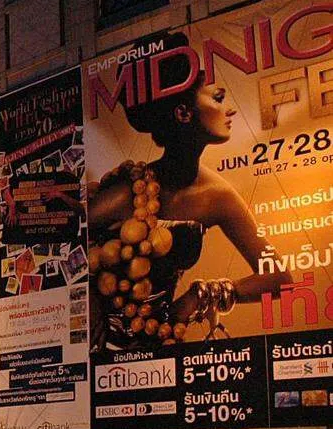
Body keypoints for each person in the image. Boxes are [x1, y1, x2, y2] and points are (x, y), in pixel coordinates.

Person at [88, 31, 289, 353]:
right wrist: (87, 298)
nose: (229, 110)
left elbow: (279, 278)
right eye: (218, 98)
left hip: (164, 345)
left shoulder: (217, 196)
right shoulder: (127, 191)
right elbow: (62, 246)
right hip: (97, 351)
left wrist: (202, 294)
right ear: (183, 113)